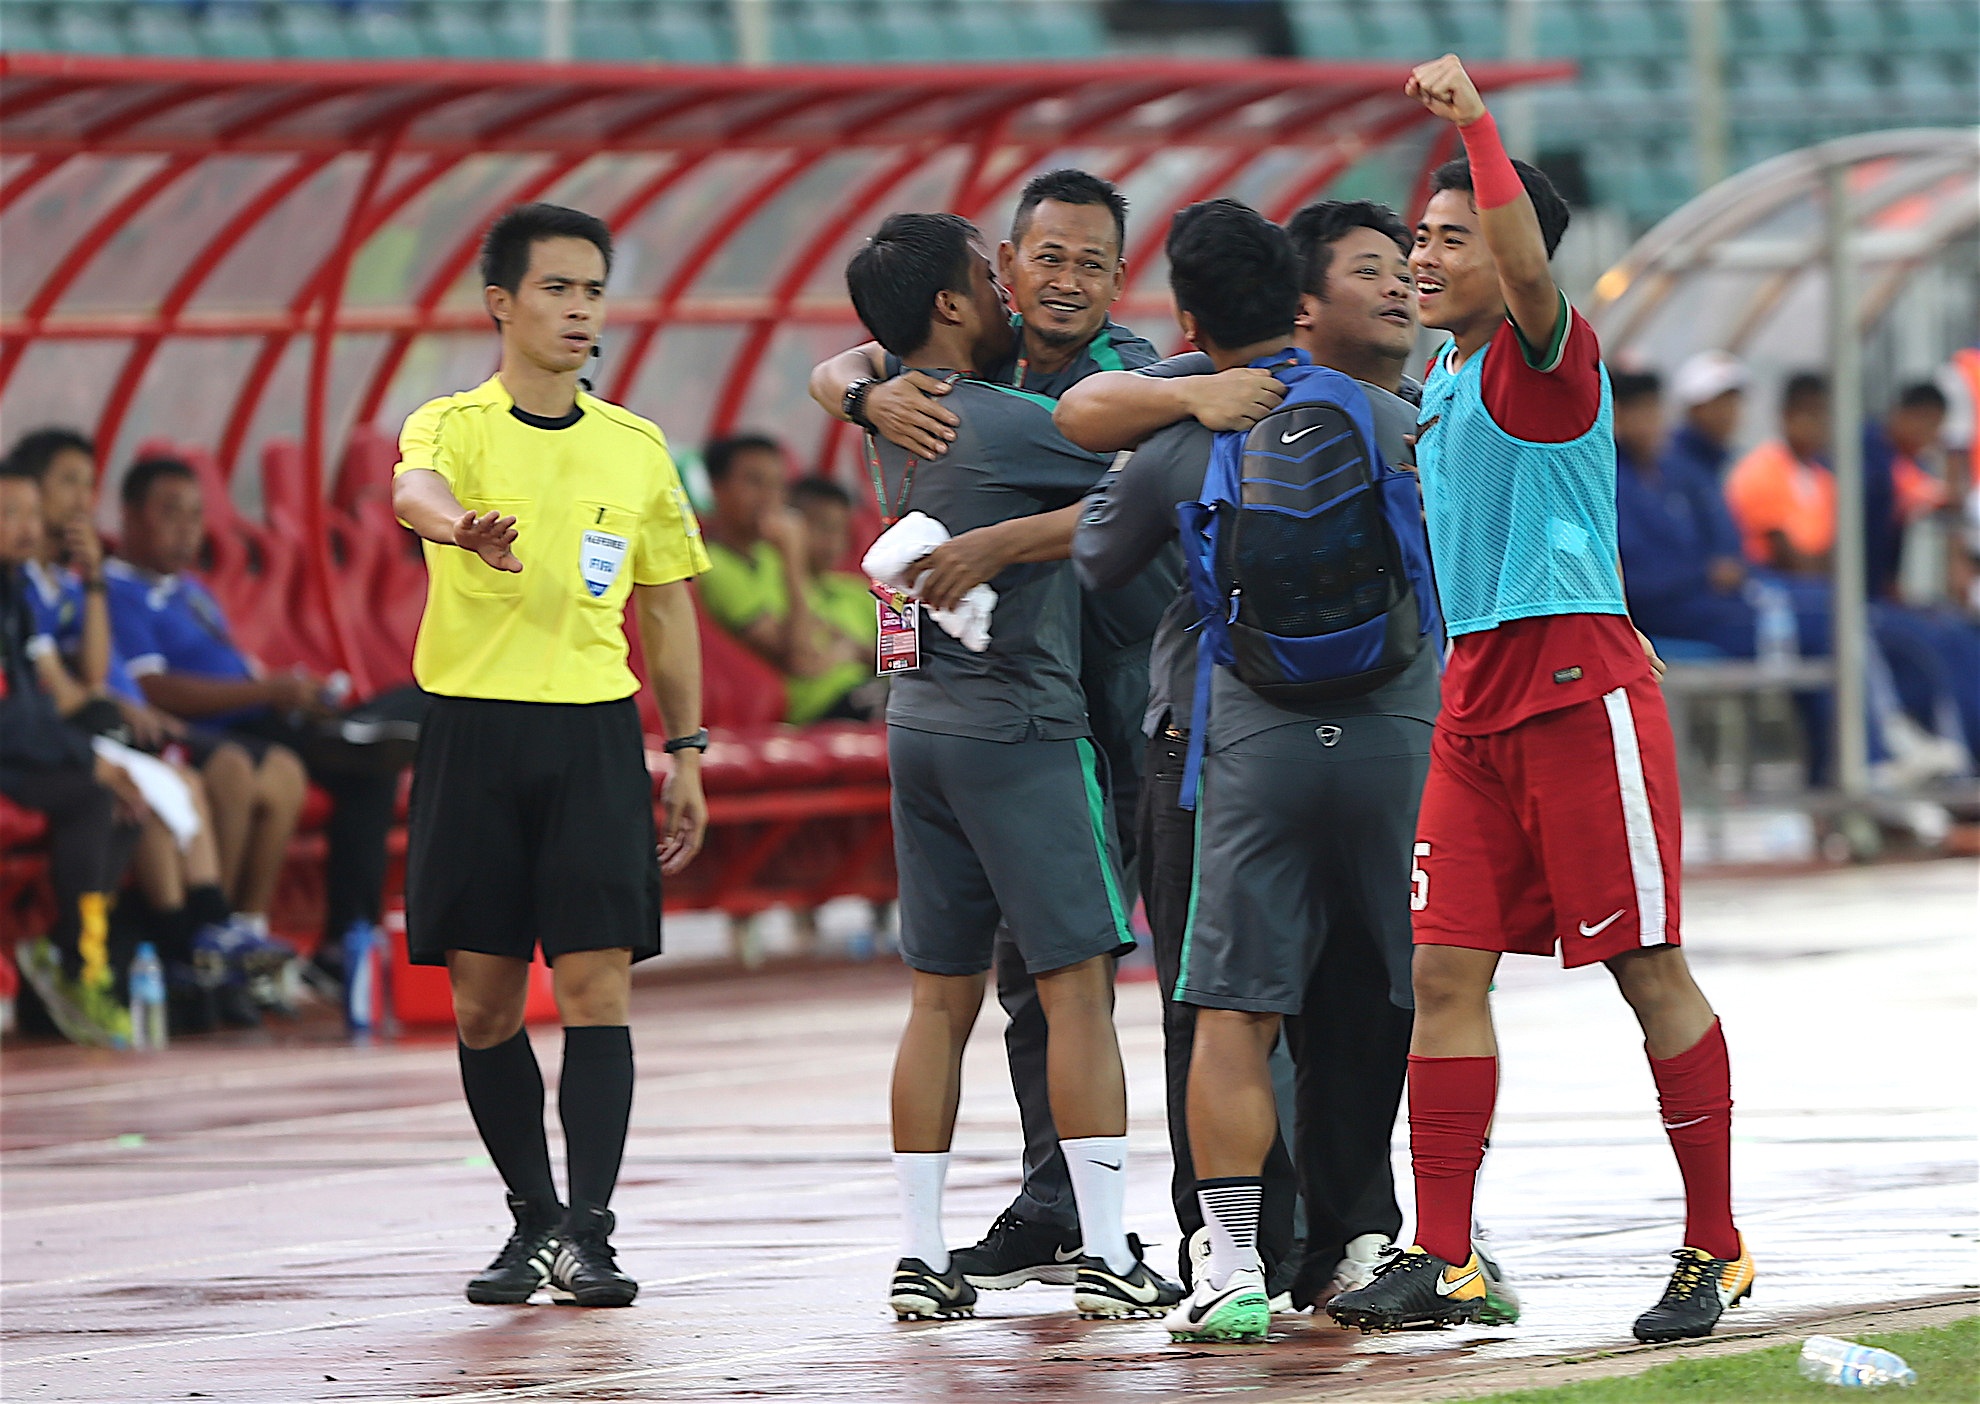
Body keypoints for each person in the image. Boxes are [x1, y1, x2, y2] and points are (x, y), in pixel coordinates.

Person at [1326, 56, 1752, 1344]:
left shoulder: (1539, 358)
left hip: (1577, 698)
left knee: (1645, 966)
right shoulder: (1442, 383)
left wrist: (1477, 131)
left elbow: (1521, 268)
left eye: (1452, 237)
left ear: (1514, 257)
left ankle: (1716, 1246)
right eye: (1418, 236)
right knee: (1444, 971)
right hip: (1474, 708)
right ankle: (1444, 1256)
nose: (1424, 256)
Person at [1067, 198, 1447, 1344]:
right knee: (1420, 992)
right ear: (1299, 301)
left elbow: (1097, 558)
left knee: (1232, 1010)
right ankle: (1413, 1240)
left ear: (1184, 317)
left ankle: (1230, 1257)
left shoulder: (1180, 437)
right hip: (1394, 737)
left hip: (1247, 742)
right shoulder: (1394, 416)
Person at [812, 169, 1173, 1297]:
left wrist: (855, 390)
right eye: (998, 266)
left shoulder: (894, 414)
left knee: (939, 997)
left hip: (915, 722)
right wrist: (1217, 399)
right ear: (974, 296)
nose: (1024, 285)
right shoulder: (1015, 416)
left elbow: (847, 366)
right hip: (1027, 721)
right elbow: (1147, 482)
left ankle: (921, 1256)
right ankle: (1108, 1251)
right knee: (1077, 992)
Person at [392, 202, 709, 1308]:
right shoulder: (451, 425)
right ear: (502, 305)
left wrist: (688, 750)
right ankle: (531, 1218)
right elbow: (411, 489)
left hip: (591, 733)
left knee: (595, 987)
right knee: (484, 1004)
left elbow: (666, 610)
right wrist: (455, 527)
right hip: (473, 730)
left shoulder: (635, 447)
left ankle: (591, 1231)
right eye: (556, 290)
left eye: (592, 291)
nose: (579, 310)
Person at [7, 429, 268, 1020]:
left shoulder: (59, 581)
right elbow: (53, 689)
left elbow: (93, 670)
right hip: (38, 739)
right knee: (133, 790)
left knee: (154, 789)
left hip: (60, 731)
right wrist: (96, 723)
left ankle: (194, 941)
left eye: (87, 483)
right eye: (66, 482)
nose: (80, 498)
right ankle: (145, 952)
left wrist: (93, 577)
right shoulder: (18, 585)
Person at [106, 457, 384, 977]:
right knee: (273, 767)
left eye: (195, 515)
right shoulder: (117, 591)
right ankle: (216, 937)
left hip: (260, 713)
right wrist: (266, 690)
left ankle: (262, 933)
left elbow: (236, 663)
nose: (188, 528)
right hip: (215, 728)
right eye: (171, 513)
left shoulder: (193, 591)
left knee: (369, 759)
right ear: (129, 517)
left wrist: (287, 685)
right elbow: (152, 687)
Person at [1728, 375, 1978, 763]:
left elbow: (1838, 553)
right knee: (1876, 632)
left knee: (1949, 631)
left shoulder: (1822, 473)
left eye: (1828, 417)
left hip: (1828, 595)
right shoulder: (1768, 470)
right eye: (1815, 416)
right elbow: (1797, 561)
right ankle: (1887, 749)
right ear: (1788, 416)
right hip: (1777, 600)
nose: (1824, 427)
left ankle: (1934, 749)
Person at [0, 460, 145, 1048]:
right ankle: (75, 962)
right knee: (91, 796)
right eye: (10, 515)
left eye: (33, 514)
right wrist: (87, 758)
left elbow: (36, 701)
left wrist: (88, 752)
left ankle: (63, 954)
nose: (28, 528)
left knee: (127, 803)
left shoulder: (14, 590)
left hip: (15, 744)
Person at [698, 439, 881, 724]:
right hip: (821, 706)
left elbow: (823, 629)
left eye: (777, 485)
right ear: (716, 486)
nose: (769, 497)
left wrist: (848, 649)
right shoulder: (715, 565)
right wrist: (793, 555)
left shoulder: (768, 557)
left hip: (861, 691)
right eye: (754, 482)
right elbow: (801, 658)